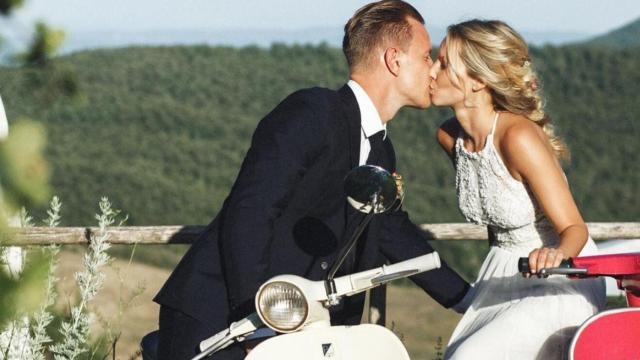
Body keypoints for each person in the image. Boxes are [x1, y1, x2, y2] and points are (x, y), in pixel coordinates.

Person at [153, 1, 470, 359]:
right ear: (394, 59)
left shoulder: (382, 150)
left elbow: (391, 231)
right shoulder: (314, 111)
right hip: (221, 320)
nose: (433, 71)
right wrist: (259, 320)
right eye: (426, 56)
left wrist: (468, 299)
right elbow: (251, 211)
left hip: (297, 330)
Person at [428, 20, 606, 359]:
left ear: (478, 81)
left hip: (561, 275)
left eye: (444, 64)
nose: (431, 71)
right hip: (502, 271)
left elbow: (574, 228)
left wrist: (555, 255)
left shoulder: (517, 137)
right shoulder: (449, 137)